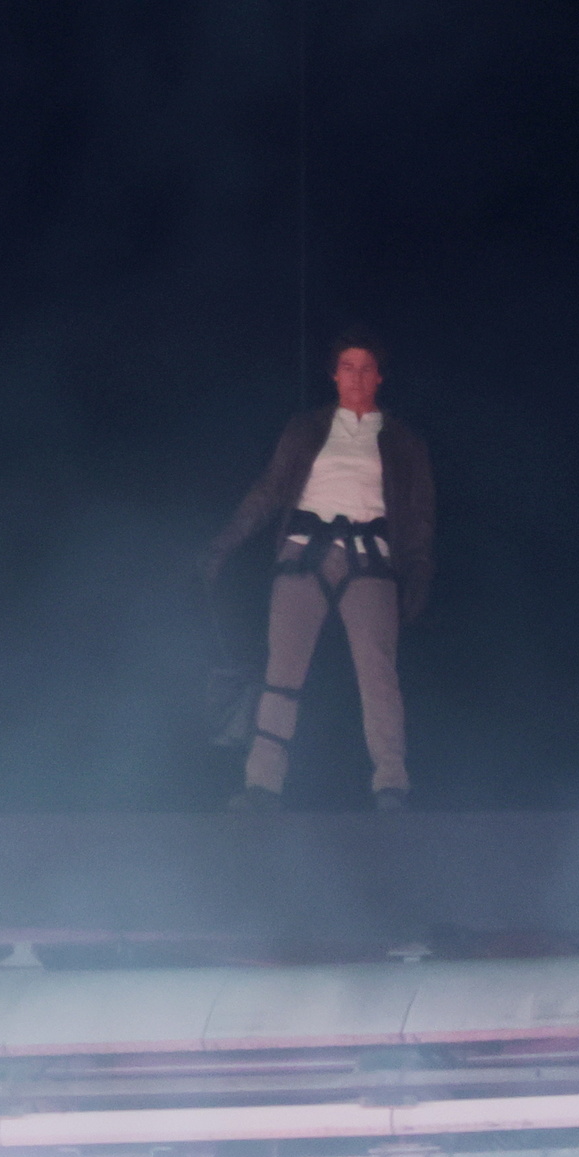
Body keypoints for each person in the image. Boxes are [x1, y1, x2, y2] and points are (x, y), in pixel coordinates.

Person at [203, 332, 434, 810]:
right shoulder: (306, 430)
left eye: (365, 368)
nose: (356, 377)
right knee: (281, 672)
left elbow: (418, 515)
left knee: (378, 675)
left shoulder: (402, 441)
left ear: (379, 377)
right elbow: (269, 490)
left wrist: (417, 572)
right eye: (348, 367)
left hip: (369, 559)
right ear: (334, 375)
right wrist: (222, 546)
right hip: (303, 555)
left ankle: (391, 783)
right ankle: (262, 784)